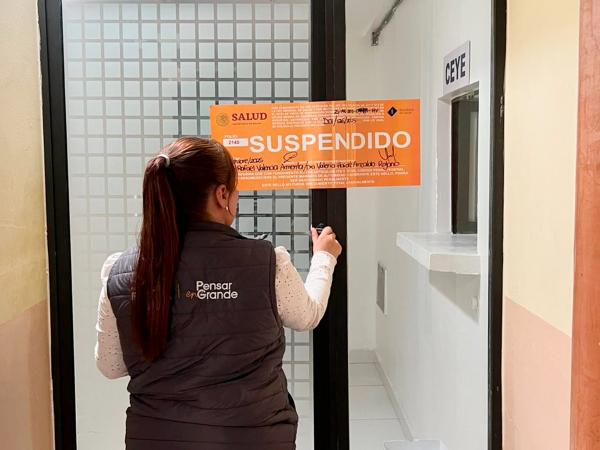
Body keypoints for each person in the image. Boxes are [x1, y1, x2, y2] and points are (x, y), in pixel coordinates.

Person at [95, 137, 342, 450]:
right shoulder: (267, 261)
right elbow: (307, 315)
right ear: (222, 194)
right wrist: (324, 257)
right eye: (235, 189)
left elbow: (111, 366)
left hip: (158, 438)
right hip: (254, 438)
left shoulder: (120, 270)